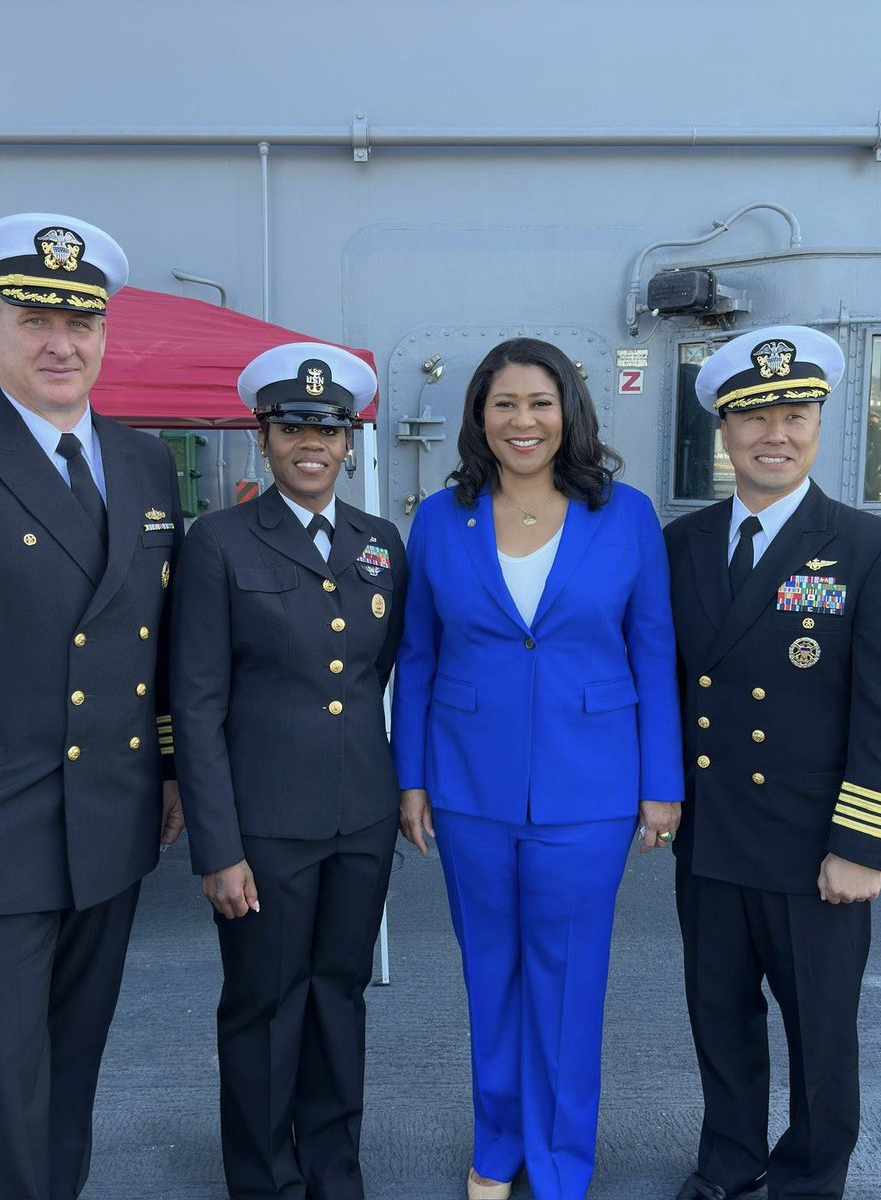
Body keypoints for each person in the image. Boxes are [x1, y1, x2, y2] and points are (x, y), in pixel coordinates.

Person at [0, 212, 184, 1200]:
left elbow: (155, 644)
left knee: (74, 1064)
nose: (61, 343)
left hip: (109, 820)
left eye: (82, 322)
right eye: (34, 318)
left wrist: (164, 769)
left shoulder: (146, 463)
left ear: (107, 334)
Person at [391, 337, 684, 1200]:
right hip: (468, 784)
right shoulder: (442, 517)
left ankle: (560, 1166)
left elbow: (652, 651)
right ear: (479, 416)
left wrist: (660, 783)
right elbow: (418, 654)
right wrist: (411, 777)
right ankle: (499, 1144)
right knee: (490, 972)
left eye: (541, 403)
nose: (524, 421)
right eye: (505, 404)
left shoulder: (625, 514)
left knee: (567, 980)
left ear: (570, 415)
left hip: (589, 787)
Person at [170, 342, 406, 1200]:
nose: (313, 441)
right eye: (293, 425)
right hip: (263, 824)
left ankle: (333, 1168)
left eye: (330, 427)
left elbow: (381, 676)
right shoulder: (219, 542)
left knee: (340, 997)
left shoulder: (379, 542)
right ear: (263, 437)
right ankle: (265, 1179)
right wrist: (216, 848)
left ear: (351, 441)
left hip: (361, 818)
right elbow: (195, 705)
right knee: (265, 1004)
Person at [665, 326, 881, 1200]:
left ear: (820, 423)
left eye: (795, 413)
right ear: (724, 432)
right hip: (714, 837)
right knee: (720, 1019)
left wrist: (863, 842)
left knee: (821, 1035)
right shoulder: (683, 544)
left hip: (813, 846)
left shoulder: (862, 545)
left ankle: (810, 1179)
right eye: (755, 419)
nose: (776, 435)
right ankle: (730, 1161)